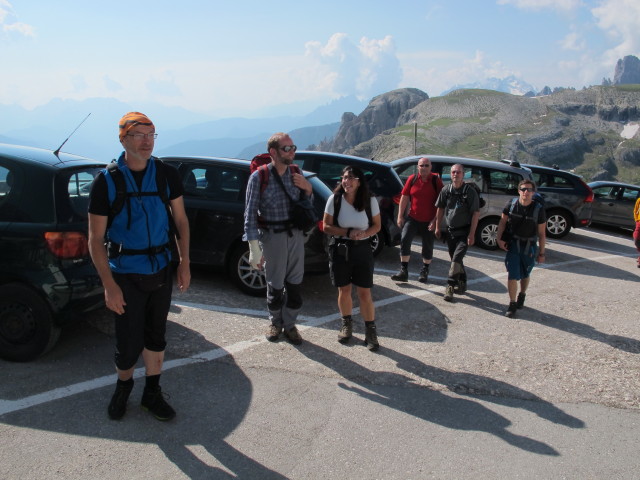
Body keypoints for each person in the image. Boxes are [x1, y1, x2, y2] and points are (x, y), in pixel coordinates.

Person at [88, 112, 191, 421]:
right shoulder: (107, 181)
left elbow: (181, 220)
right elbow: (94, 240)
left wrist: (184, 263)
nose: (147, 142)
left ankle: (152, 393)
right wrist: (109, 285)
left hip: (160, 269)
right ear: (123, 139)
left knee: (156, 336)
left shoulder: (165, 174)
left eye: (151, 135)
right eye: (139, 135)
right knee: (128, 343)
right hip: (125, 273)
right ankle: (123, 388)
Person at [243, 132, 312, 345]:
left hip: (296, 236)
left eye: (293, 148)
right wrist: (254, 247)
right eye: (287, 148)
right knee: (274, 284)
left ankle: (290, 325)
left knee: (295, 284)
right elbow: (250, 212)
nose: (292, 152)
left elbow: (306, 202)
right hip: (273, 238)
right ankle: (275, 323)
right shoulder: (259, 177)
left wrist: (308, 188)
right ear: (273, 152)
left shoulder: (296, 172)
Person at [323, 166, 382, 351]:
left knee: (364, 293)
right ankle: (346, 325)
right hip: (341, 250)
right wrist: (348, 232)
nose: (346, 182)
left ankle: (370, 332)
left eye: (351, 178)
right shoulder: (335, 199)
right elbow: (326, 226)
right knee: (344, 290)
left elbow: (377, 226)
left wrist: (364, 234)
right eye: (344, 178)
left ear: (359, 181)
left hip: (362, 250)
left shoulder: (369, 200)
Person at [496, 179, 546, 318]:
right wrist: (499, 239)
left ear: (533, 192)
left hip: (529, 247)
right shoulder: (511, 205)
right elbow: (502, 222)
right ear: (519, 191)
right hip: (513, 245)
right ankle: (512, 304)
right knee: (512, 275)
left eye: (529, 190)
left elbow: (542, 233)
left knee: (525, 274)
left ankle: (522, 294)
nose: (526, 192)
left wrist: (541, 253)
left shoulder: (538, 209)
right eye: (523, 189)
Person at [391, 157, 443, 283]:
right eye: (421, 165)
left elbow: (441, 204)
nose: (424, 168)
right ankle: (404, 271)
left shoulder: (436, 181)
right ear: (418, 167)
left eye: (426, 165)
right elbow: (404, 197)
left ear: (430, 167)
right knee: (404, 239)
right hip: (412, 218)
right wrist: (400, 216)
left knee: (427, 246)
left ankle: (424, 271)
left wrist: (435, 221)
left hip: (429, 220)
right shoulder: (412, 179)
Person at [435, 164, 480, 302]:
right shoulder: (446, 190)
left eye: (458, 172)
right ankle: (463, 281)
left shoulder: (470, 192)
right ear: (451, 174)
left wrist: (472, 234)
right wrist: (437, 226)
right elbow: (440, 209)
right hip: (450, 232)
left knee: (456, 258)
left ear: (463, 174)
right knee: (456, 259)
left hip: (464, 232)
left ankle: (450, 285)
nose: (456, 174)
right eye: (453, 172)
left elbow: (475, 214)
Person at [634, 196, 640, 268]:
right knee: (636, 240)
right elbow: (635, 210)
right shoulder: (639, 200)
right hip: (639, 222)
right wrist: (636, 220)